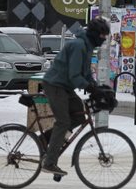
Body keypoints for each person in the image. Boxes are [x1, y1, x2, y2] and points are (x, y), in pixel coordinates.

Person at [41, 18, 110, 176]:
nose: (104, 39)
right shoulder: (79, 46)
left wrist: (94, 86)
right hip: (55, 85)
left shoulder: (87, 46)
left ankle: (45, 141)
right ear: (94, 34)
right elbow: (74, 76)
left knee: (79, 116)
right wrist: (90, 87)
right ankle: (50, 162)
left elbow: (85, 73)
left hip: (64, 86)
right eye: (102, 35)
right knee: (63, 122)